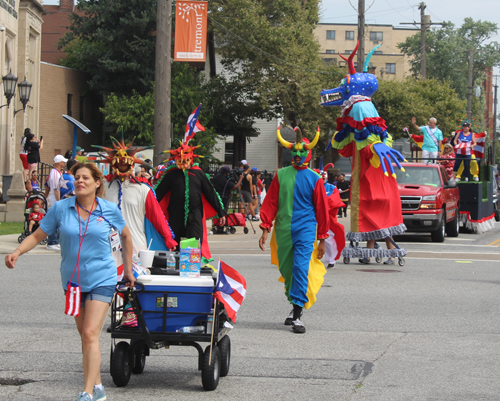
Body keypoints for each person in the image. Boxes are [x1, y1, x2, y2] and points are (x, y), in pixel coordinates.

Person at [5, 162, 135, 401]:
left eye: (85, 178)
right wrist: (17, 253)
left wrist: (127, 270)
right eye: (77, 178)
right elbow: (37, 235)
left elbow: (126, 237)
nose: (79, 181)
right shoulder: (62, 208)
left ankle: (87, 392)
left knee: (89, 332)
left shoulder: (107, 209)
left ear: (97, 183)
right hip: (73, 283)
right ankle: (98, 388)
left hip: (102, 278)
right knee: (85, 335)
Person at [259, 126, 329, 334]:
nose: (297, 155)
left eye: (301, 152)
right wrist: (265, 228)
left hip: (305, 229)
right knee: (288, 270)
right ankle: (294, 305)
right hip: (283, 230)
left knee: (300, 268)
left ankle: (297, 315)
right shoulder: (281, 175)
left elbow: (322, 210)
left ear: (307, 154)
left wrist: (322, 238)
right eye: (295, 152)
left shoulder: (315, 178)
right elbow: (271, 203)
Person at [95, 138, 177, 256]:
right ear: (113, 163)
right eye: (119, 161)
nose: (122, 164)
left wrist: (168, 238)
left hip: (136, 248)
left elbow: (157, 216)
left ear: (132, 163)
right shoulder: (102, 187)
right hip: (107, 249)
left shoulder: (143, 189)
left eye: (125, 161)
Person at [156, 136, 226, 263]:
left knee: (194, 240)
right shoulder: (171, 174)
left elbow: (210, 193)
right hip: (175, 213)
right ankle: (176, 267)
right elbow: (158, 194)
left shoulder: (199, 174)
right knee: (174, 242)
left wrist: (220, 212)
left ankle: (193, 268)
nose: (183, 160)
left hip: (195, 213)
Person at [45, 155, 68, 251]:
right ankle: (52, 241)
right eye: (63, 162)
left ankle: (56, 241)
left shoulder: (56, 172)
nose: (64, 163)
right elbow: (56, 188)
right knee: (55, 221)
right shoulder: (55, 173)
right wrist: (59, 202)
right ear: (59, 163)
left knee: (58, 221)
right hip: (55, 200)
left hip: (56, 200)